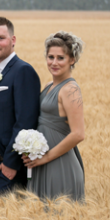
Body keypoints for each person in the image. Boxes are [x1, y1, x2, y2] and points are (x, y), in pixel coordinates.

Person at [0, 17, 41, 195]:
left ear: (13, 40)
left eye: (1, 38)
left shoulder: (22, 70)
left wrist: (10, 163)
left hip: (7, 168)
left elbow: (26, 121)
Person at [24, 32, 85, 201]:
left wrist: (46, 157)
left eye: (60, 58)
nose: (54, 62)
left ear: (72, 60)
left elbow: (78, 133)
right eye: (50, 57)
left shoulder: (70, 89)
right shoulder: (49, 85)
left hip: (60, 164)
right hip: (41, 162)